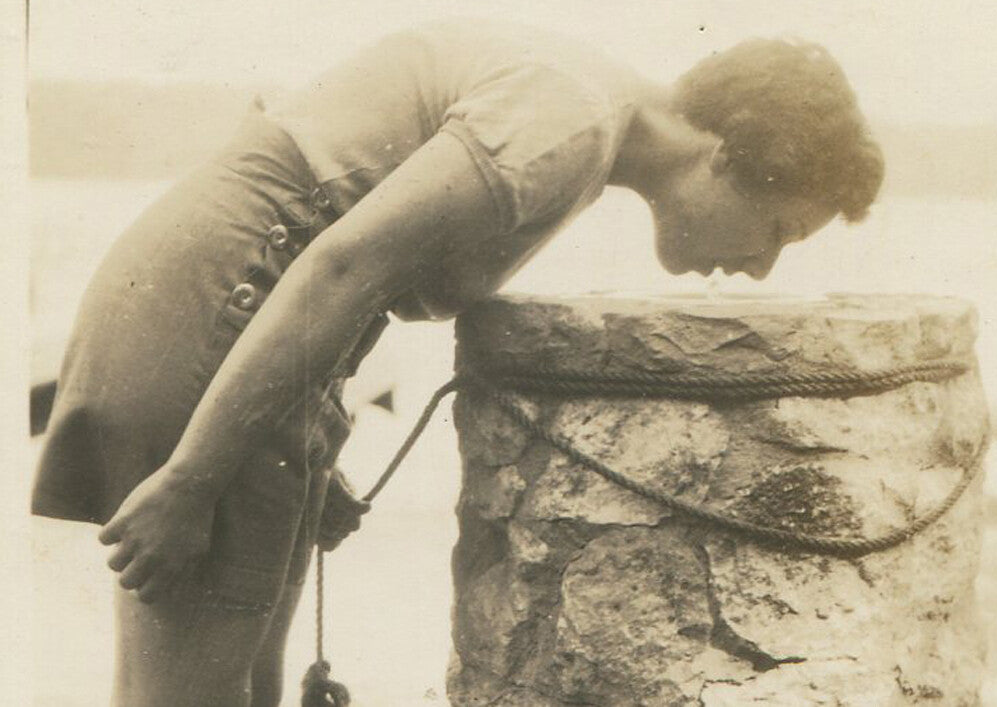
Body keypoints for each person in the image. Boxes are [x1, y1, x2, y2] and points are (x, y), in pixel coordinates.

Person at [31, 18, 883, 707]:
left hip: (229, 328)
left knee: (245, 687)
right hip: (218, 316)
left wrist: (307, 435)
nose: (760, 266)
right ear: (728, 156)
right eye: (778, 230)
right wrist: (193, 477)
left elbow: (347, 251)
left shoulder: (583, 108)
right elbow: (338, 263)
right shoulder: (566, 121)